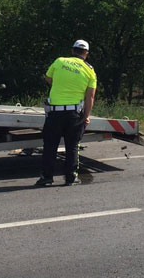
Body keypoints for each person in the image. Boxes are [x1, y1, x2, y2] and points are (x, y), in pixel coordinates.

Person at [35, 39, 97, 186]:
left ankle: (46, 178)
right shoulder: (90, 71)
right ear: (86, 54)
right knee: (72, 146)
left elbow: (48, 78)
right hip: (74, 115)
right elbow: (90, 97)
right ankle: (71, 178)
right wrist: (86, 116)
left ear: (72, 51)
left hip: (54, 113)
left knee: (50, 146)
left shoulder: (59, 61)